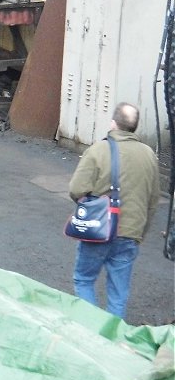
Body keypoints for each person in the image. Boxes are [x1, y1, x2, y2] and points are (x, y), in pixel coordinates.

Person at [69, 102, 162, 319]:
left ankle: (92, 331)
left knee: (84, 279)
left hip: (100, 229)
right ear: (134, 127)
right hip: (131, 233)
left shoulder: (99, 149)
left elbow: (76, 189)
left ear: (113, 123)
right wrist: (140, 233)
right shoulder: (149, 155)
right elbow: (153, 198)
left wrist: (88, 204)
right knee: (118, 294)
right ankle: (112, 341)